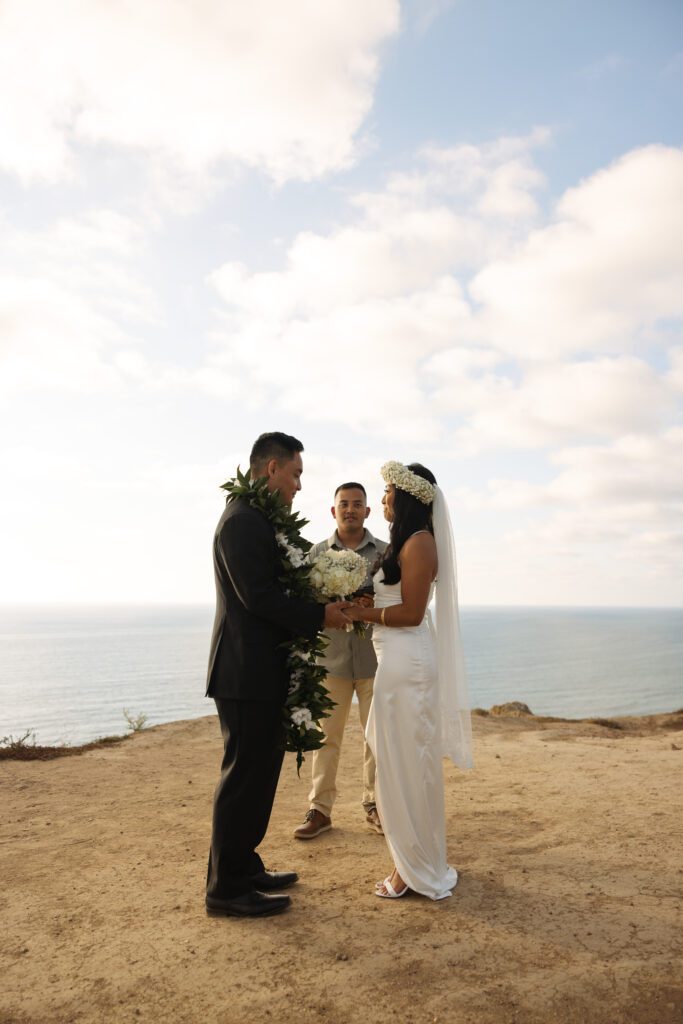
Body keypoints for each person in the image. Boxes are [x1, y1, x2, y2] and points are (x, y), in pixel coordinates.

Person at [205, 432, 352, 918]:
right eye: (296, 475)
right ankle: (225, 890)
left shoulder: (258, 519)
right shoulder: (242, 522)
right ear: (271, 469)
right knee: (243, 778)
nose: (297, 487)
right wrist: (320, 615)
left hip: (262, 670)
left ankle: (245, 867)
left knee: (260, 775)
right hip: (244, 673)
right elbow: (258, 598)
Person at [347, 461, 473, 901]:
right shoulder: (406, 542)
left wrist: (363, 613)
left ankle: (414, 869)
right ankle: (413, 860)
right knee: (395, 762)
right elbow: (395, 598)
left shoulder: (420, 543)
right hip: (395, 663)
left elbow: (413, 614)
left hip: (409, 665)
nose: (382, 500)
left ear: (407, 497)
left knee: (407, 767)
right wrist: (367, 600)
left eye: (386, 492)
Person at [294, 482, 388, 840]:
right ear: (333, 511)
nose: (350, 509)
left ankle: (375, 804)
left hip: (375, 661)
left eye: (357, 504)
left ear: (367, 511)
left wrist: (367, 606)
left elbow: (398, 600)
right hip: (330, 660)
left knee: (377, 738)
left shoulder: (385, 553)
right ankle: (320, 810)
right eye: (343, 504)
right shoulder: (316, 554)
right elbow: (304, 606)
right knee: (325, 739)